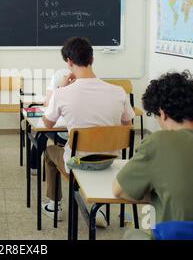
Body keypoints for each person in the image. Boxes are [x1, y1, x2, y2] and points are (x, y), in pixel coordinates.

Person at [113, 71, 193, 240]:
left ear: (162, 113)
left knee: (132, 234)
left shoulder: (159, 141)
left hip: (177, 235)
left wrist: (161, 192)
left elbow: (120, 190)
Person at [41, 37, 135, 222]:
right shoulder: (118, 92)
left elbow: (47, 124)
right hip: (111, 161)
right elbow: (127, 126)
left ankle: (54, 206)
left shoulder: (62, 93)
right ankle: (96, 205)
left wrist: (62, 90)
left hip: (77, 163)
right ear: (92, 59)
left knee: (50, 152)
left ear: (69, 62)